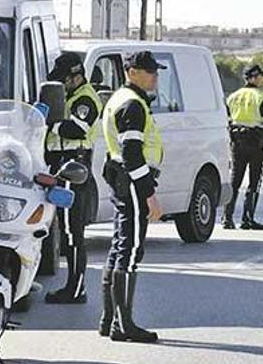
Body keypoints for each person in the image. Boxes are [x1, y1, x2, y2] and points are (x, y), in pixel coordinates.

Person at [99, 51, 164, 343]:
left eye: (155, 71)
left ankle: (109, 319)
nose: (155, 76)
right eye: (150, 71)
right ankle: (123, 326)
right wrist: (149, 194)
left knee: (118, 247)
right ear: (132, 71)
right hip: (134, 182)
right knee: (130, 251)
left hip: (121, 178)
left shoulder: (121, 98)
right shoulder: (132, 105)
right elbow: (133, 155)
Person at [43, 52, 102, 305]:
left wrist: (49, 123)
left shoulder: (86, 98)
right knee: (65, 232)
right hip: (60, 166)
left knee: (72, 232)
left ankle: (76, 289)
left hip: (73, 168)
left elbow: (77, 129)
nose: (61, 84)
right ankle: (73, 287)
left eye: (64, 79)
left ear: (75, 76)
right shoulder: (69, 96)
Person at [224, 64, 263, 230]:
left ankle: (227, 218)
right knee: (254, 182)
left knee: (235, 181)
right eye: (261, 76)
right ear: (255, 77)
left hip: (237, 143)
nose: (262, 79)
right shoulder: (262, 98)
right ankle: (248, 219)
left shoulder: (232, 97)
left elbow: (226, 121)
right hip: (256, 144)